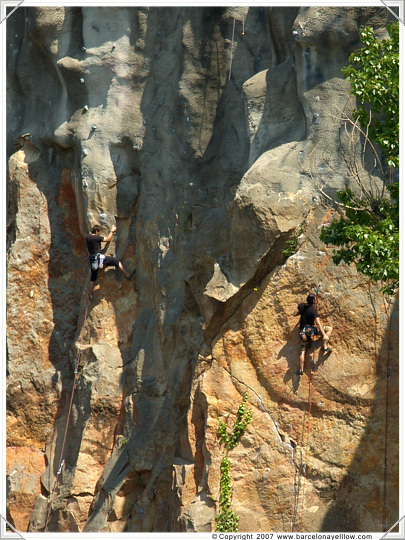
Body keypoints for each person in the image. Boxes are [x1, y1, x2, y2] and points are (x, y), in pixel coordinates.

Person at [86, 224, 131, 299]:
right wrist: (112, 231)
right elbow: (107, 239)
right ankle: (127, 274)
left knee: (93, 277)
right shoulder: (96, 238)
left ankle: (90, 294)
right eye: (99, 232)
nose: (99, 233)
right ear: (97, 231)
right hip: (99, 258)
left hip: (92, 259)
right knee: (116, 261)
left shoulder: (87, 237)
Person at [293, 292, 333, 375]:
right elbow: (318, 323)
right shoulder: (313, 310)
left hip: (302, 332)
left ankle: (301, 370)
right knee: (329, 328)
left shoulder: (301, 306)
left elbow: (294, 314)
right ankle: (325, 346)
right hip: (310, 331)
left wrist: (302, 311)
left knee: (303, 351)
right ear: (313, 302)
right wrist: (324, 335)